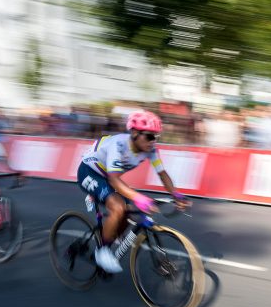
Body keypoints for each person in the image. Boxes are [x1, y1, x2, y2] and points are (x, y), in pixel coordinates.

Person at [77, 110, 190, 274]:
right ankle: (102, 251)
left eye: (156, 137)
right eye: (150, 136)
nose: (153, 141)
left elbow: (162, 173)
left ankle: (110, 236)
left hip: (107, 177)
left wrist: (176, 194)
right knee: (118, 206)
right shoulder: (119, 145)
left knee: (128, 210)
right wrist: (140, 198)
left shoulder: (151, 150)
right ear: (135, 133)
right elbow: (115, 180)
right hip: (89, 172)